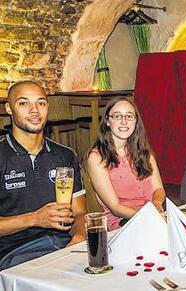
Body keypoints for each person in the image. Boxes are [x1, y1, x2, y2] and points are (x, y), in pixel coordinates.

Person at [0, 81, 86, 270]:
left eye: (41, 103)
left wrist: (79, 236)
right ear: (9, 108)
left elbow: (79, 213)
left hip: (64, 245)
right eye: (24, 103)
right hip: (15, 253)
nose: (35, 110)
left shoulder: (65, 155)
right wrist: (35, 218)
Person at [85, 97, 165, 230]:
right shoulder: (96, 158)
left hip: (152, 217)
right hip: (123, 223)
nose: (124, 121)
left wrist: (156, 203)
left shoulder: (144, 152)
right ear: (107, 121)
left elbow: (159, 189)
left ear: (135, 121)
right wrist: (148, 217)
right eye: (117, 116)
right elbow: (115, 208)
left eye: (129, 116)